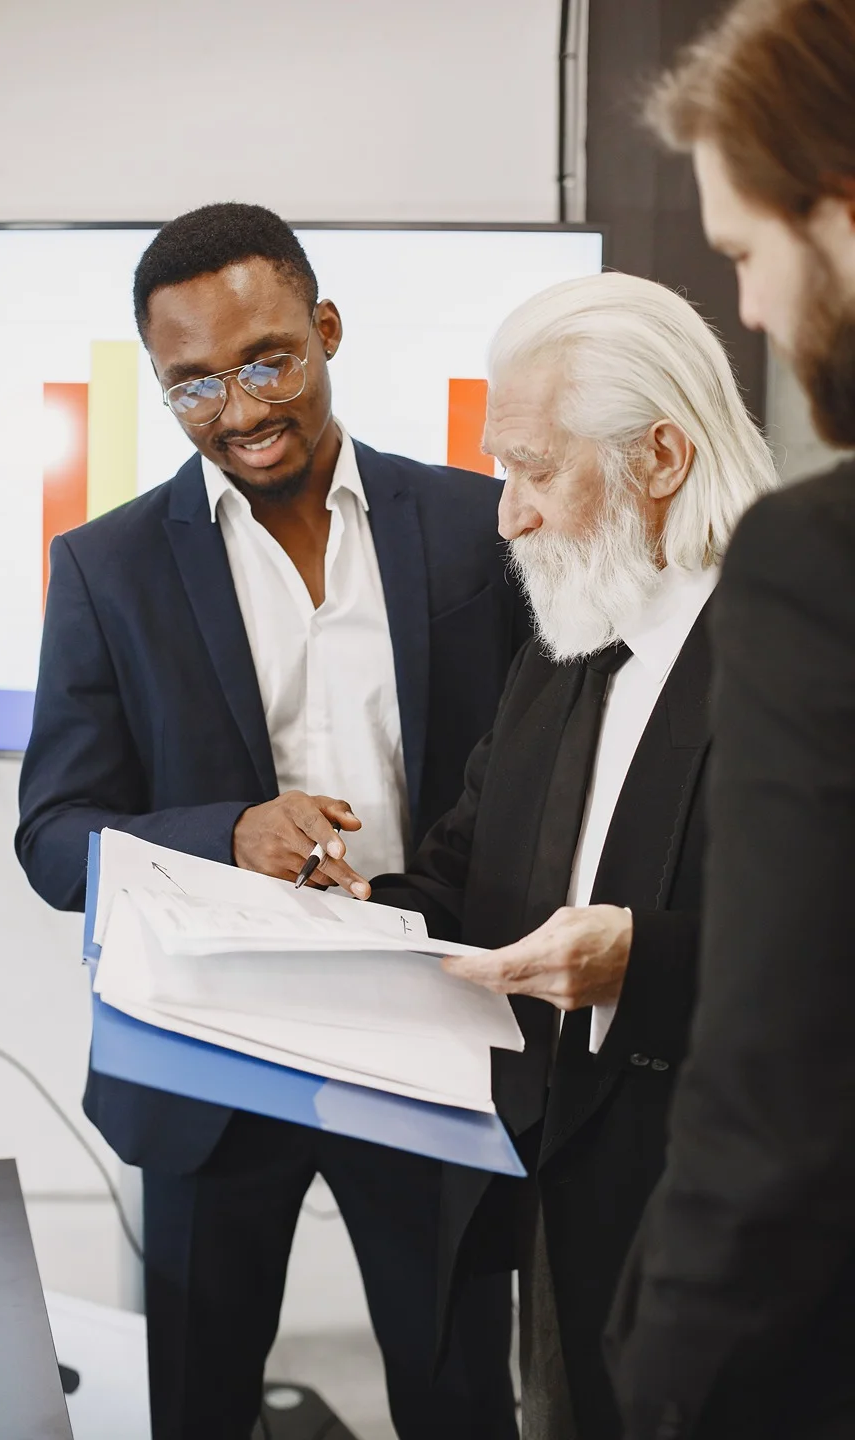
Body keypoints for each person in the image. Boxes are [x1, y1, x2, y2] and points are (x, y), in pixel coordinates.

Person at [16, 203, 530, 1440]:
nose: (239, 411)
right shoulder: (107, 567)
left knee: (460, 1393)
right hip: (210, 1049)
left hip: (433, 1022)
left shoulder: (477, 528)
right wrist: (227, 831)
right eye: (192, 386)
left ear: (328, 331)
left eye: (268, 362)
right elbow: (53, 836)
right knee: (199, 1398)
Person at [354, 271, 778, 1440]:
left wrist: (641, 961)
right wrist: (337, 910)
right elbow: (463, 877)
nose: (508, 515)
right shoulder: (564, 641)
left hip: (735, 1252)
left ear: (662, 458)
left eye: (535, 470)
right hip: (551, 1222)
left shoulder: (801, 653)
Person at [602, 5, 855, 1438]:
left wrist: (664, 1378)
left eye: (750, 253)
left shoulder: (812, 567)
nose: (750, 309)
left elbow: (782, 1086)